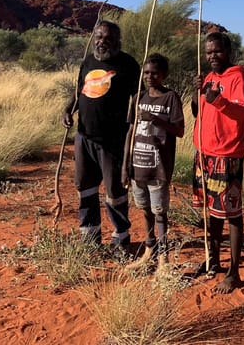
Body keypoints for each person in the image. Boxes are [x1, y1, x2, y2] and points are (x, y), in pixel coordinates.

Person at [61, 20, 140, 249]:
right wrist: (68, 109)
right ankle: (89, 236)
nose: (102, 41)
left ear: (117, 41)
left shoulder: (128, 65)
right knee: (85, 186)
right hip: (84, 136)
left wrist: (134, 129)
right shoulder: (88, 61)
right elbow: (80, 91)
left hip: (113, 140)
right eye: (98, 37)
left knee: (115, 190)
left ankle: (120, 237)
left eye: (107, 38)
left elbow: (137, 98)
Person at [191, 31, 244, 293]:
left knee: (231, 213)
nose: (212, 56)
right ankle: (212, 259)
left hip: (226, 153)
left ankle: (234, 271)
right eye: (208, 52)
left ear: (228, 51)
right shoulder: (209, 77)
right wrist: (198, 92)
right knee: (212, 211)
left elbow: (239, 110)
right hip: (204, 151)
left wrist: (219, 99)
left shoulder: (237, 76)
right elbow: (199, 111)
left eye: (217, 51)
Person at [122, 53, 185, 272]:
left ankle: (163, 259)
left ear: (164, 75)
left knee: (160, 211)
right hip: (138, 165)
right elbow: (130, 132)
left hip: (159, 167)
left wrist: (155, 119)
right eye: (146, 72)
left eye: (154, 73)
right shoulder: (138, 97)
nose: (150, 77)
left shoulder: (171, 98)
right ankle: (149, 250)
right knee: (144, 210)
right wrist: (125, 167)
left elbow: (179, 130)